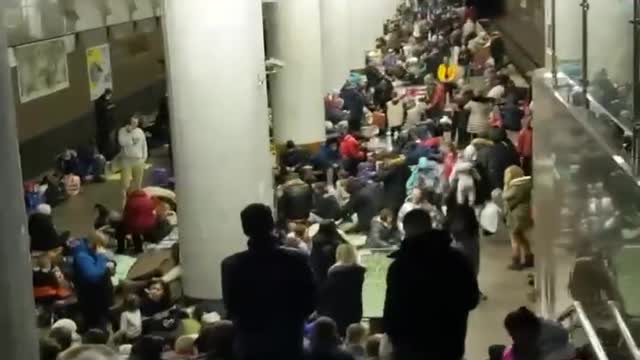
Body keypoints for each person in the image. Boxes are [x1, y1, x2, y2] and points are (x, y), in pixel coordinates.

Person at [222, 204, 315, 360]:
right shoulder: (297, 259)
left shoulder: (231, 265)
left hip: (251, 344)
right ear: (272, 225)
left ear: (245, 230)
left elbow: (231, 307)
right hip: (289, 340)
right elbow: (310, 301)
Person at [383, 209, 480, 360]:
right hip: (449, 345)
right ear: (429, 226)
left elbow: (391, 314)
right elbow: (471, 300)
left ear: (406, 230)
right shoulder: (457, 261)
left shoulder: (399, 268)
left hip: (410, 349)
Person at [317, 244, 366, 336]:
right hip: (354, 312)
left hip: (336, 313)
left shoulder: (335, 274)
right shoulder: (359, 273)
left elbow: (324, 295)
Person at [490, 307, 575, 360]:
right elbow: (564, 333)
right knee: (495, 349)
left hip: (548, 355)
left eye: (510, 331)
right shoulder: (542, 325)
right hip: (564, 349)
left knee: (494, 350)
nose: (509, 335)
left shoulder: (529, 341)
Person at [71, 231, 114, 331]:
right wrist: (101, 257)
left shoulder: (84, 248)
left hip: (95, 293)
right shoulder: (82, 256)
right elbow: (94, 276)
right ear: (95, 245)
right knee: (96, 320)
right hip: (93, 296)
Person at [503, 166, 534, 270]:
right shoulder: (525, 184)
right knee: (521, 237)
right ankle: (528, 257)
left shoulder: (517, 186)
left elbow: (508, 200)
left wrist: (505, 190)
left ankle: (516, 260)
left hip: (516, 216)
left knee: (515, 238)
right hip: (523, 215)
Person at [116, 116, 148, 205]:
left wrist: (144, 157)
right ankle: (124, 203)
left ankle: (137, 203)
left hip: (138, 160)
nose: (134, 125)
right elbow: (121, 142)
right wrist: (129, 135)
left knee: (138, 184)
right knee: (125, 184)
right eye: (133, 123)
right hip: (127, 160)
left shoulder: (140, 131)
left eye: (136, 123)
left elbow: (144, 144)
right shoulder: (122, 131)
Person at [116, 189, 157, 254]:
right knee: (139, 230)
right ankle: (150, 243)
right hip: (150, 224)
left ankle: (121, 249)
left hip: (136, 225)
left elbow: (126, 215)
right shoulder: (149, 201)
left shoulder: (131, 202)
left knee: (121, 231)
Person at [94, 89, 116, 160]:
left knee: (110, 142)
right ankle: (109, 156)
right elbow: (104, 109)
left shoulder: (105, 102)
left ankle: (110, 156)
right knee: (108, 142)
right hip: (105, 126)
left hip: (108, 125)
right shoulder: (100, 102)